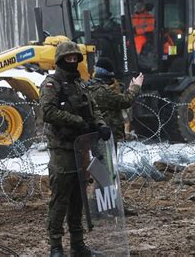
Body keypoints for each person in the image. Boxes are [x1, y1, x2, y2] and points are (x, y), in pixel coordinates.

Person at [40, 41, 111, 257]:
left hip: (81, 150)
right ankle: (55, 246)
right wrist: (77, 121)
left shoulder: (81, 84)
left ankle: (78, 244)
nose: (72, 61)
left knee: (78, 200)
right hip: (62, 150)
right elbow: (48, 112)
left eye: (74, 58)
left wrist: (100, 124)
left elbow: (93, 108)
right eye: (68, 58)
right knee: (60, 200)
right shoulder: (52, 84)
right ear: (61, 60)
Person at [88, 57, 144, 142]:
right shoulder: (103, 91)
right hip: (110, 137)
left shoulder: (90, 87)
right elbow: (125, 101)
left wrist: (130, 90)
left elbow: (117, 99)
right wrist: (137, 86)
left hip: (98, 135)